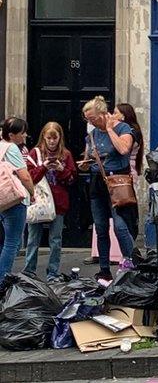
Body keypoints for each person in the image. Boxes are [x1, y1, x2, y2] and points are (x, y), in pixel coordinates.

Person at [81, 96, 137, 281]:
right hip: (98, 182)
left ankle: (131, 263)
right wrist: (85, 163)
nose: (91, 123)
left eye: (94, 119)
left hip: (117, 182)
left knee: (120, 226)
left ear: (104, 115)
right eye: (88, 120)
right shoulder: (93, 134)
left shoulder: (123, 128)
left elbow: (123, 149)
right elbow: (90, 155)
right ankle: (104, 269)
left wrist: (110, 129)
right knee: (101, 227)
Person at [24, 122, 77, 280]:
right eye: (49, 138)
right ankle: (29, 272)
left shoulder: (66, 155)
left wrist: (62, 171)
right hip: (39, 202)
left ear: (60, 137)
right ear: (44, 137)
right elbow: (30, 178)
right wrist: (44, 167)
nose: (52, 141)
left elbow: (72, 179)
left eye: (55, 138)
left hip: (58, 202)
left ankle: (53, 273)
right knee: (33, 238)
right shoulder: (35, 154)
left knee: (55, 239)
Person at [0, 117, 34, 279]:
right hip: (15, 200)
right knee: (12, 243)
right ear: (12, 135)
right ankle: (2, 281)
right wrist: (32, 193)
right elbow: (24, 176)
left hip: (2, 200)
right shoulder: (12, 149)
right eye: (22, 132)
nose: (25, 135)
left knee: (3, 241)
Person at [114, 104, 145, 246]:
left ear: (123, 116)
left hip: (127, 174)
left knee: (126, 207)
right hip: (131, 172)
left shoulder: (130, 132)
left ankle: (130, 240)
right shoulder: (134, 131)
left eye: (115, 113)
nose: (112, 115)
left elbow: (123, 149)